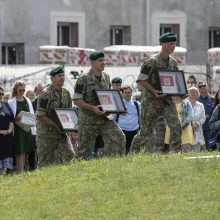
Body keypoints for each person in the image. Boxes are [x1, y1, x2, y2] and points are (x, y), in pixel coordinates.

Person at [131, 32, 182, 153]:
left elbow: (175, 80)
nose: (173, 46)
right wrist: (153, 91)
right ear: (163, 44)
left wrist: (180, 92)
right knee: (146, 131)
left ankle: (175, 154)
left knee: (176, 125)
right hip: (151, 100)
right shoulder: (151, 61)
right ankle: (133, 152)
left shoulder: (173, 62)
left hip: (167, 100)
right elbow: (141, 79)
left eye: (174, 44)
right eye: (170, 44)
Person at [73, 50, 126, 159]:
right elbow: (76, 100)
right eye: (100, 60)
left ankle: (115, 163)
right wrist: (93, 108)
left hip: (104, 117)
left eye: (104, 60)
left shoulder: (106, 77)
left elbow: (107, 97)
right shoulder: (83, 79)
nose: (103, 62)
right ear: (92, 62)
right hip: (88, 119)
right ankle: (74, 172)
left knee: (119, 137)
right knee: (82, 150)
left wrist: (118, 108)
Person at [36, 66, 75, 167]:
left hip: (62, 134)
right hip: (46, 135)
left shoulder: (66, 93)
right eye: (59, 76)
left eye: (63, 75)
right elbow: (40, 115)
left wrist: (71, 128)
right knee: (45, 163)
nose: (62, 77)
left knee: (70, 156)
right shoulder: (45, 94)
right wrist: (56, 124)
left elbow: (69, 112)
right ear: (52, 78)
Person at [8, 81, 36, 173]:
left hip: (26, 128)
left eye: (24, 90)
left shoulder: (27, 100)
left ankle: (22, 170)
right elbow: (10, 117)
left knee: (25, 150)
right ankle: (20, 171)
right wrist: (16, 118)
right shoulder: (11, 102)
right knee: (19, 150)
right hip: (17, 129)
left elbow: (31, 114)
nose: (22, 92)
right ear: (16, 90)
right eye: (20, 90)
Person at [114, 86, 141, 154]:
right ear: (122, 94)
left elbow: (140, 117)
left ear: (131, 93)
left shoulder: (137, 104)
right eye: (125, 93)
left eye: (129, 92)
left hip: (134, 131)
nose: (127, 94)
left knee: (133, 152)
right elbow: (113, 118)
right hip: (122, 131)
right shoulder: (118, 104)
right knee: (121, 151)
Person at [0, 86, 14, 175]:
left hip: (6, 139)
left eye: (2, 94)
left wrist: (9, 130)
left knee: (4, 168)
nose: (1, 95)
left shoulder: (6, 104)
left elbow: (11, 119)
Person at [188, 87, 206, 151]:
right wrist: (189, 126)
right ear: (188, 94)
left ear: (197, 94)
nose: (193, 93)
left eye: (195, 92)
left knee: (196, 150)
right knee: (186, 150)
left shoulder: (201, 105)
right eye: (191, 92)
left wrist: (197, 124)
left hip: (197, 130)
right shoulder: (184, 104)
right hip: (186, 130)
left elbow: (203, 117)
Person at [197, 81, 214, 150]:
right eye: (200, 86)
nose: (202, 87)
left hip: (209, 128)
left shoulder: (213, 99)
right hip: (198, 128)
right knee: (199, 148)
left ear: (207, 87)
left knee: (210, 147)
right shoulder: (196, 99)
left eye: (204, 86)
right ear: (198, 89)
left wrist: (208, 116)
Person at [26, 89, 37, 171]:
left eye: (33, 94)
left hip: (35, 129)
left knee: (34, 149)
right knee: (29, 150)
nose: (32, 96)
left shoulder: (36, 104)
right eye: (30, 95)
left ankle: (33, 166)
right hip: (27, 129)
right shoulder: (26, 104)